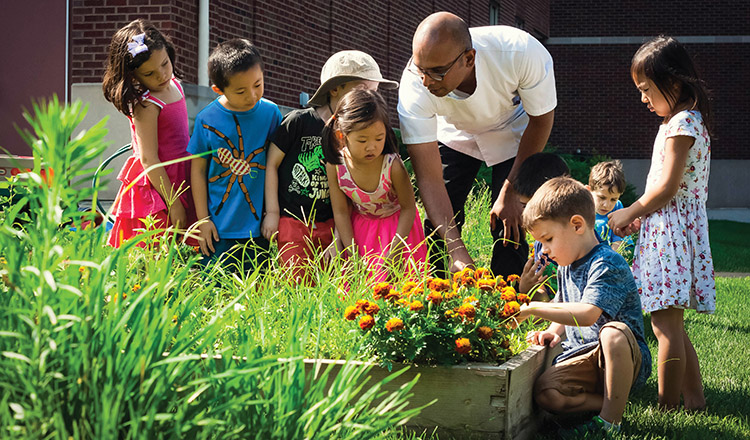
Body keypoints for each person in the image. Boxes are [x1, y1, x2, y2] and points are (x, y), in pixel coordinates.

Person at [397, 11, 556, 277]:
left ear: (469, 59)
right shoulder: (415, 87)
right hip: (455, 129)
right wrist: (457, 251)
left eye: (437, 72)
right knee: (442, 217)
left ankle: (509, 300)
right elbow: (430, 179)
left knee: (510, 220)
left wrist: (511, 190)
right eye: (420, 69)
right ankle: (438, 296)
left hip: (513, 127)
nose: (425, 81)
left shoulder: (520, 51)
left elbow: (540, 122)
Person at [609, 36, 715, 411]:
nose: (643, 98)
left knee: (664, 327)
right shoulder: (680, 120)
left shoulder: (683, 122)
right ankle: (695, 400)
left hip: (671, 231)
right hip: (667, 228)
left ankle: (666, 407)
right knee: (671, 325)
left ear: (672, 83)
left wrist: (631, 210)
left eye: (646, 89)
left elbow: (668, 187)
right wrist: (646, 219)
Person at [516, 177, 651, 437]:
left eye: (548, 239)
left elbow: (588, 313)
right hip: (582, 355)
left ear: (577, 225)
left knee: (612, 333)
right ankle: (613, 403)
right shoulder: (567, 264)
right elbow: (568, 309)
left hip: (624, 357)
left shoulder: (606, 262)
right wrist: (554, 333)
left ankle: (609, 423)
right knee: (546, 394)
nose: (545, 250)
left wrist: (532, 308)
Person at [261, 51, 398, 282]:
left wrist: (338, 240)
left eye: (374, 92)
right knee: (297, 285)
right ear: (335, 89)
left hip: (331, 224)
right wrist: (272, 213)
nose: (369, 99)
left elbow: (348, 193)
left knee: (331, 287)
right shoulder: (299, 122)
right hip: (292, 220)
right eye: (364, 90)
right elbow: (271, 164)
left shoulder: (356, 137)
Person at [188, 39, 282, 272]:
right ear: (218, 90)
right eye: (240, 91)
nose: (252, 96)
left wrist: (273, 212)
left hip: (261, 228)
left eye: (258, 85)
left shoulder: (270, 113)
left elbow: (275, 164)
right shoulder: (206, 119)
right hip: (219, 230)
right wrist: (203, 220)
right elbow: (198, 171)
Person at [102, 19, 197, 247]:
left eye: (165, 64)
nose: (162, 75)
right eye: (149, 73)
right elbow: (149, 159)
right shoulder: (147, 104)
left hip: (181, 174)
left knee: (184, 246)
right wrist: (172, 202)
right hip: (158, 185)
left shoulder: (175, 84)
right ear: (133, 76)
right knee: (155, 247)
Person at [323, 88, 427, 282]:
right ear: (341, 136)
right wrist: (352, 254)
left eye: (379, 138)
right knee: (361, 292)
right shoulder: (336, 166)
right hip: (360, 233)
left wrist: (396, 250)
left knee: (401, 291)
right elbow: (341, 212)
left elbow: (408, 208)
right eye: (362, 140)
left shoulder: (392, 165)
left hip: (399, 232)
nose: (372, 146)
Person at [511, 152, 569, 298]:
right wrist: (526, 288)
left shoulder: (579, 242)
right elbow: (545, 297)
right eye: (524, 206)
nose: (527, 216)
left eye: (534, 207)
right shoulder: (540, 244)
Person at [587, 160, 628, 251]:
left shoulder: (617, 207)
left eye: (613, 199)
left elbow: (618, 239)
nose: (606, 205)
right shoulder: (582, 209)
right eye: (602, 197)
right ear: (588, 191)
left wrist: (609, 257)